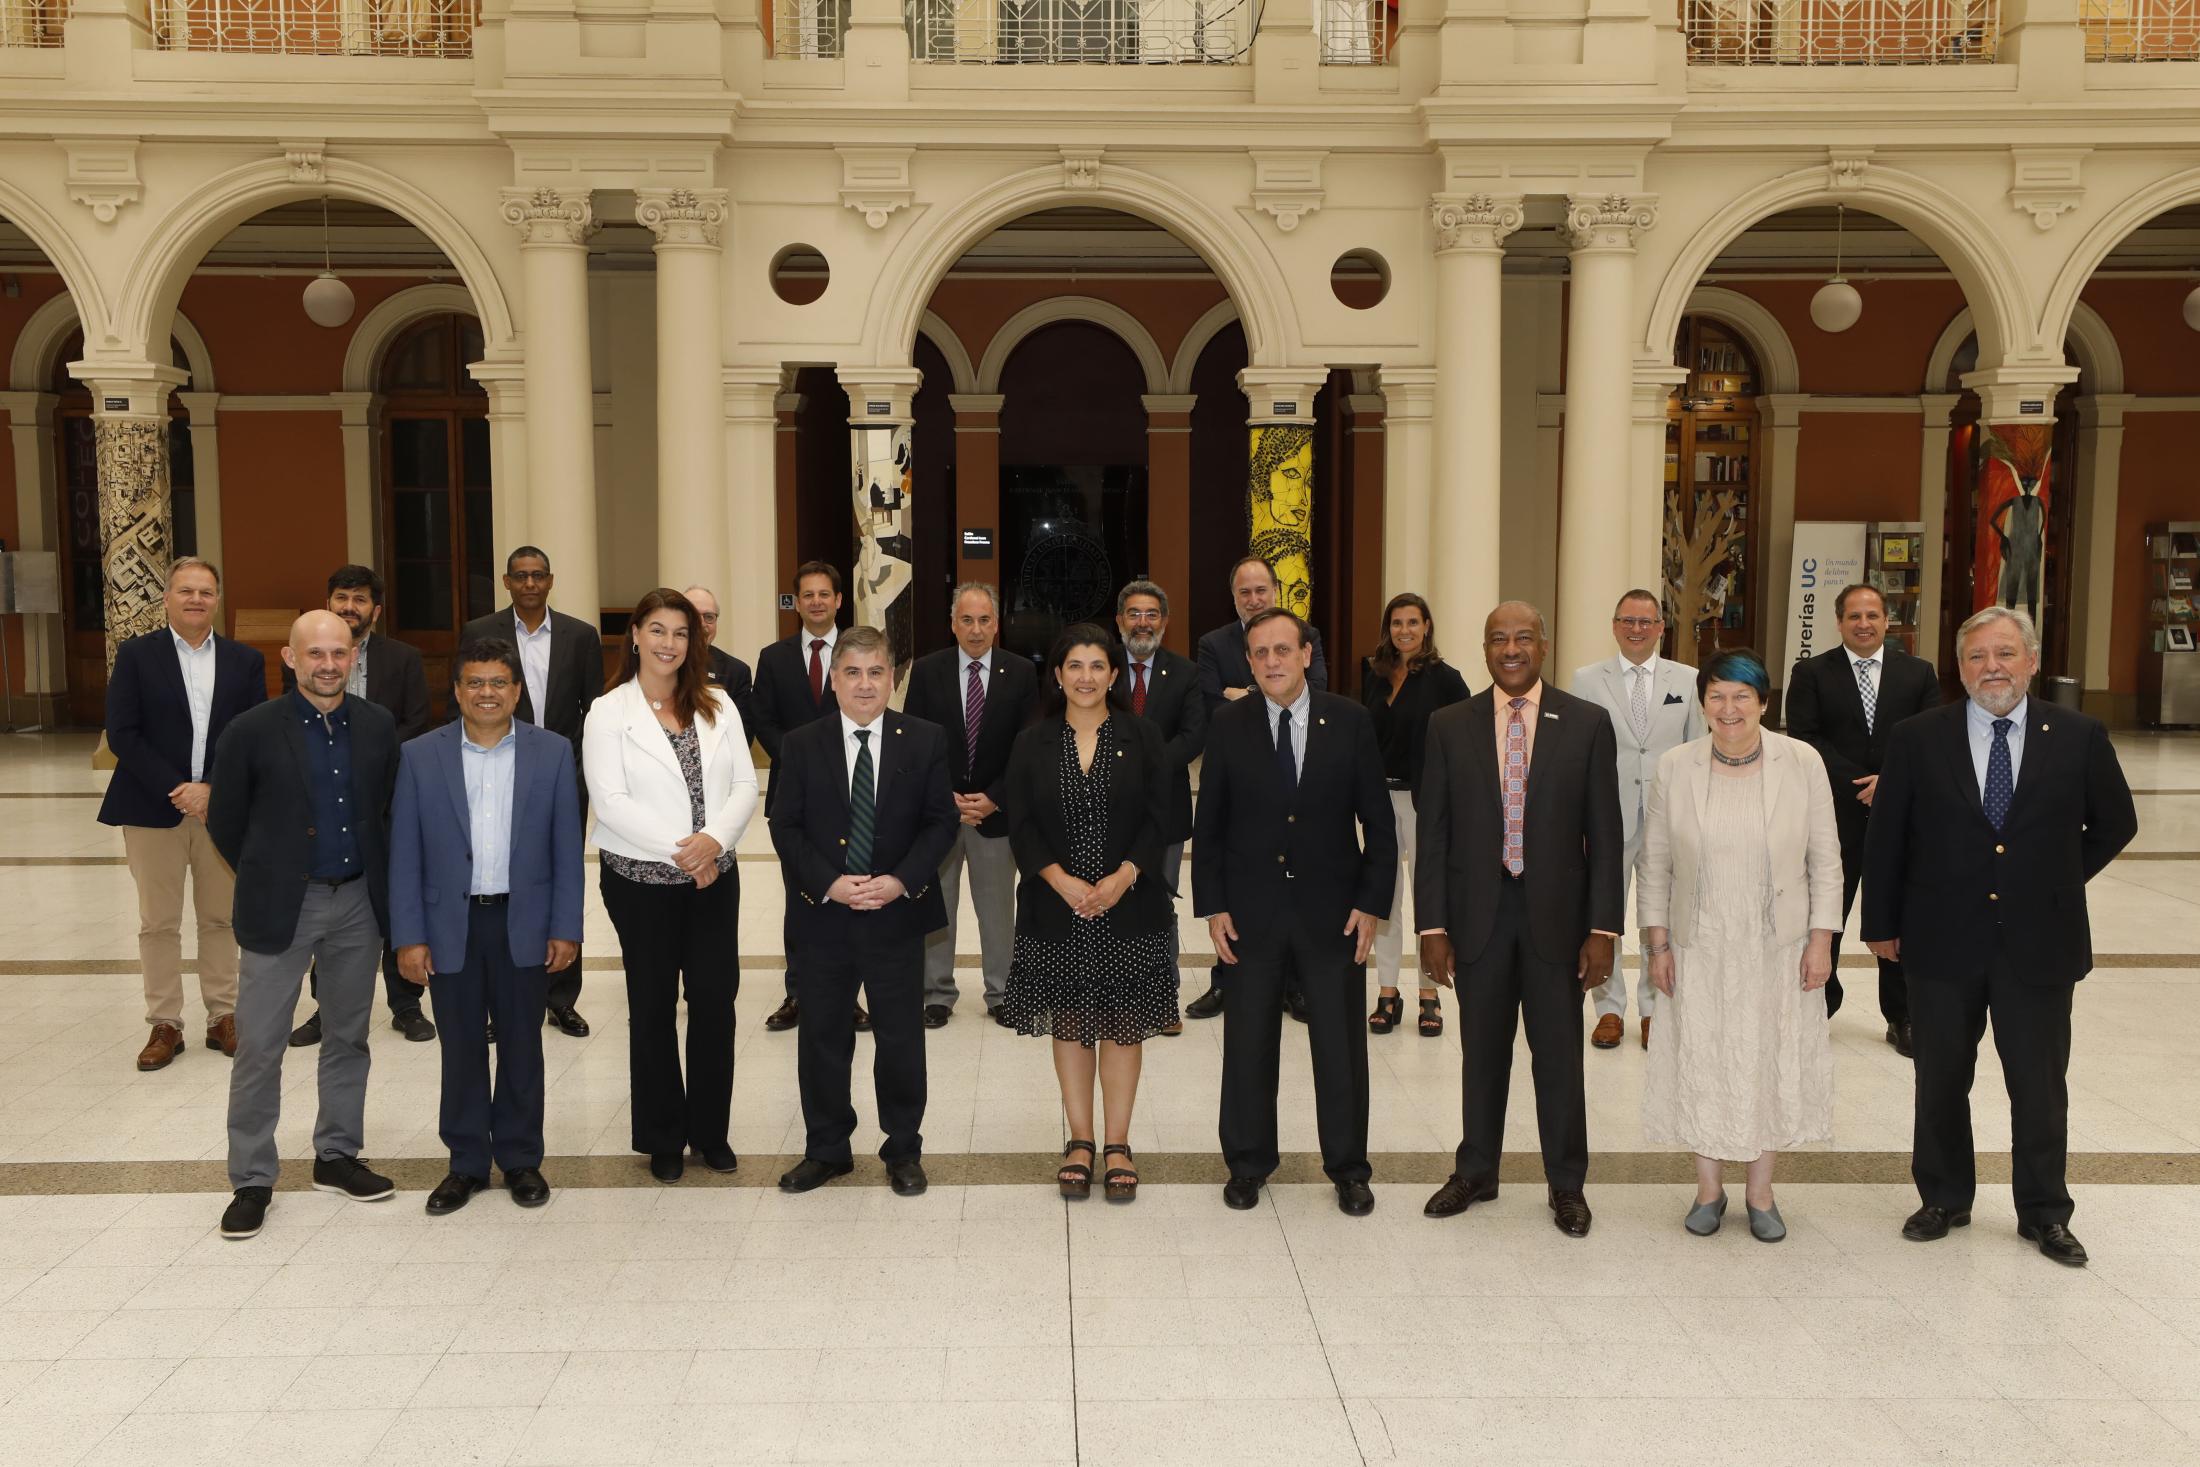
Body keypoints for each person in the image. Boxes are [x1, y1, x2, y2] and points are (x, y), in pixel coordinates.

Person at [1864, 606, 2136, 1267]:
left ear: (2032, 661)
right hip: (1939, 940)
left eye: (2006, 653)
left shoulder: (2077, 735)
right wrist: (1880, 926)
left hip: (2039, 944)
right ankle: (1944, 1197)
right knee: (1940, 1077)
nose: (1993, 667)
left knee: (2039, 1086)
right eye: (1978, 655)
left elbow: (2115, 821)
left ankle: (2043, 1211)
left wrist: (2055, 880)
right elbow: (1888, 836)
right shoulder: (1917, 737)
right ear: (1959, 667)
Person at [1416, 602, 1622, 1238]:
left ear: (1544, 645)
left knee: (1558, 1058)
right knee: (1481, 1055)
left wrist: (1603, 929)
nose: (1511, 648)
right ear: (1484, 649)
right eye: (1498, 639)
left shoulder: (1586, 723)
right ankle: (1476, 1170)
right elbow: (1435, 835)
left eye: (1523, 638)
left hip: (1558, 922)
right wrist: (1432, 927)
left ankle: (1566, 1184)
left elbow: (1606, 835)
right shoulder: (1450, 724)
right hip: (1477, 917)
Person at [1193, 608, 1394, 1218]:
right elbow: (1211, 826)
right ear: (1248, 662)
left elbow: (1379, 826)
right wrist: (1214, 905)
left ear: (1307, 654)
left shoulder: (1351, 721)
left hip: (1332, 913)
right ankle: (1248, 1163)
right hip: (1251, 912)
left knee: (1339, 1047)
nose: (1272, 662)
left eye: (1283, 650)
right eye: (1260, 653)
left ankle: (1348, 1169)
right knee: (1248, 1042)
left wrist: (1370, 904)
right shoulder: (1229, 723)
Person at [208, 611, 401, 1241]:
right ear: (289, 660)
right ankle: (252, 1178)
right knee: (261, 1046)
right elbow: (226, 822)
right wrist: (271, 873)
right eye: (314, 653)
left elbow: (387, 812)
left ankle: (336, 1155)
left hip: (357, 907)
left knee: (348, 1036)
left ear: (353, 657)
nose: (327, 664)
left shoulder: (377, 727)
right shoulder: (251, 730)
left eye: (339, 652)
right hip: (281, 907)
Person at [1637, 649, 1841, 1243]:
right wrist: (1657, 946)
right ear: (1703, 703)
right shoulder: (1676, 766)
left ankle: (1760, 1191)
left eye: (1742, 697)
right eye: (1718, 696)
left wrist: (1821, 940)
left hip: (1776, 943)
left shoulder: (1800, 762)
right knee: (1703, 1054)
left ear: (1764, 703)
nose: (1729, 709)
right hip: (1697, 942)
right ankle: (1707, 1190)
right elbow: (1654, 864)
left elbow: (1826, 858)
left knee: (1767, 1055)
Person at [389, 639, 583, 1215]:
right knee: (463, 1048)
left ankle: (522, 1158)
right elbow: (405, 852)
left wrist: (565, 926)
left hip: (525, 923)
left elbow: (565, 848)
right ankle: (467, 1163)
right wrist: (409, 935)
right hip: (452, 926)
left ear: (517, 691)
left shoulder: (552, 753)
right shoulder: (421, 755)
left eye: (499, 683)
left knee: (523, 1046)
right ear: (456, 691)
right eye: (475, 682)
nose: (487, 693)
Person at [769, 626, 958, 1198]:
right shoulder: (802, 743)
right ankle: (827, 1149)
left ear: (893, 677)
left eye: (876, 671)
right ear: (834, 679)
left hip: (895, 917)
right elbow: (786, 825)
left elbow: (939, 823)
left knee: (900, 1038)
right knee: (823, 1036)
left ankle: (903, 1149)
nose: (865, 683)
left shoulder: (923, 740)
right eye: (852, 672)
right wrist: (831, 883)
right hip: (824, 914)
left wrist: (900, 882)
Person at [583, 589, 760, 1185]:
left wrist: (714, 843)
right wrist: (690, 853)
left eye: (680, 633)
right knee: (652, 1006)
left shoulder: (719, 704)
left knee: (716, 1002)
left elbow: (744, 785)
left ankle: (710, 1132)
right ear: (634, 634)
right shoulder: (608, 711)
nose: (668, 644)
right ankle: (661, 1135)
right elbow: (610, 803)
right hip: (641, 884)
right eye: (657, 630)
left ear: (695, 642)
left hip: (715, 879)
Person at [1002, 625, 1179, 1201]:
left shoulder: (1143, 735)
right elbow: (1021, 824)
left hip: (1128, 906)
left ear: (1114, 673)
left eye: (1097, 665)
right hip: (1058, 908)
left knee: (1124, 1022)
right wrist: (1062, 882)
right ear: (1057, 675)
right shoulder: (1033, 741)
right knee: (1072, 1020)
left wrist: (1124, 876)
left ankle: (1118, 1144)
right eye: (1073, 666)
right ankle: (1080, 1140)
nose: (1085, 677)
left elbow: (1164, 819)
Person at [98, 557, 265, 1072]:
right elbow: (123, 733)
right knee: (158, 922)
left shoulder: (244, 660)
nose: (196, 599)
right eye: (186, 591)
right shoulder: (136, 655)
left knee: (220, 918)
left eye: (206, 592)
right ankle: (165, 1023)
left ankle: (224, 1015)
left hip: (221, 810)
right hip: (152, 807)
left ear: (218, 600)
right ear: (167, 598)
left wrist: (212, 787)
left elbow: (251, 732)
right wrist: (180, 788)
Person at [1784, 582, 1940, 1051]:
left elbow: (1934, 737)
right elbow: (1807, 738)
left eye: (1873, 615)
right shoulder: (1811, 672)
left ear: (1887, 620)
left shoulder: (1918, 673)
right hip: (1835, 814)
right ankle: (1818, 1005)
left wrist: (1890, 782)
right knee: (1825, 913)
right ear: (1839, 622)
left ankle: (1903, 1015)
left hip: (1902, 818)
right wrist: (1863, 783)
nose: (1864, 624)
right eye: (1854, 616)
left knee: (1900, 916)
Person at [288, 564, 437, 1049]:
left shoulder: (404, 658)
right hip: (322, 807)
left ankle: (406, 1003)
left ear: (377, 608)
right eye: (341, 598)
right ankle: (324, 1010)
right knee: (329, 908)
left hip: (389, 800)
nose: (349, 607)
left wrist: (365, 761)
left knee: (395, 905)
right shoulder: (310, 657)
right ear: (328, 602)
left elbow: (417, 722)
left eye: (359, 599)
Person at [462, 546, 601, 1038]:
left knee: (562, 878)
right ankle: (506, 1001)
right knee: (506, 876)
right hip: (497, 770)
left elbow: (593, 712)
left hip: (564, 774)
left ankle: (562, 998)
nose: (529, 584)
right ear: (506, 581)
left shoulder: (580, 636)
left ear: (550, 580)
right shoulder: (481, 632)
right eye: (520, 576)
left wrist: (581, 770)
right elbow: (469, 698)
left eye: (537, 575)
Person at [1186, 555, 1329, 1022]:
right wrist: (1255, 694)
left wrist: (1239, 693)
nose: (1253, 599)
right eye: (1244, 592)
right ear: (1234, 598)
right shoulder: (1213, 643)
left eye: (1260, 591)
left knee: (1292, 882)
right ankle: (1226, 981)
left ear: (1274, 591)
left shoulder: (1305, 633)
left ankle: (1294, 987)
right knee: (1239, 879)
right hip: (1237, 778)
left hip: (1294, 775)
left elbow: (1318, 687)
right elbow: (1209, 701)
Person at [1568, 589, 1702, 1052]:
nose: (1637, 629)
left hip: (1667, 816)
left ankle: (1652, 1008)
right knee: (1603, 913)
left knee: (1657, 914)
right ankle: (1608, 1008)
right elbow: (1575, 752)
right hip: (1607, 814)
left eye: (1646, 622)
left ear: (1661, 628)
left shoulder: (1687, 680)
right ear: (1614, 626)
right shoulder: (1586, 679)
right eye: (1628, 620)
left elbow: (1695, 751)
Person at [905, 582, 1038, 1028]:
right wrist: (945, 796)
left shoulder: (1020, 673)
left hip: (995, 813)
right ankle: (937, 993)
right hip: (939, 811)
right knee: (937, 903)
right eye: (967, 620)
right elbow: (913, 743)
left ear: (996, 624)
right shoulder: (927, 671)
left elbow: (1027, 747)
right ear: (952, 624)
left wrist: (994, 798)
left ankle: (1002, 991)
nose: (976, 629)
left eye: (984, 620)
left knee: (997, 906)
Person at [752, 560, 865, 1035]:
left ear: (839, 600)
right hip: (793, 800)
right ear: (796, 603)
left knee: (853, 896)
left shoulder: (861, 653)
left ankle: (849, 996)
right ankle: (798, 991)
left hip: (856, 795)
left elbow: (867, 713)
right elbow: (764, 720)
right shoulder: (774, 657)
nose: (816, 602)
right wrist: (804, 764)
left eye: (825, 594)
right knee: (801, 898)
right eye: (807, 595)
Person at [1361, 592, 1469, 1039]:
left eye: (1412, 623)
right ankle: (1387, 991)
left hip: (1428, 802)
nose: (1404, 630)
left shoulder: (1447, 680)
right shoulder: (1375, 673)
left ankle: (1430, 992)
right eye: (1396, 623)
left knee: (1429, 897)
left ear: (1427, 627)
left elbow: (1465, 738)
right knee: (1385, 899)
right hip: (1380, 801)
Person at [1108, 579, 1205, 1037]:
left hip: (1164, 809)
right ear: (1120, 620)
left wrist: (1144, 763)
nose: (1142, 623)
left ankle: (1162, 999)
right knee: (1109, 901)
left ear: (1163, 622)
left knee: (1158, 905)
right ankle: (1112, 995)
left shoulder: (1185, 673)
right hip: (1106, 809)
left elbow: (1193, 735)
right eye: (1134, 613)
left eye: (1151, 614)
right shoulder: (1100, 668)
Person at [685, 584, 758, 749]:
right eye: (693, 615)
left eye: (709, 617)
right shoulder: (659, 665)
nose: (701, 624)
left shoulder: (736, 671)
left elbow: (742, 735)